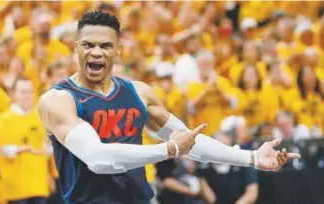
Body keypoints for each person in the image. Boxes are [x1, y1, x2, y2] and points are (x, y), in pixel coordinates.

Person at [37, 11, 301, 204]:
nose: (96, 52)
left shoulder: (138, 92)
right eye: (88, 45)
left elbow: (190, 141)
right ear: (75, 48)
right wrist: (169, 149)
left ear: (118, 50)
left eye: (105, 45)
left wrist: (252, 158)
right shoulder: (58, 100)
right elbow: (98, 159)